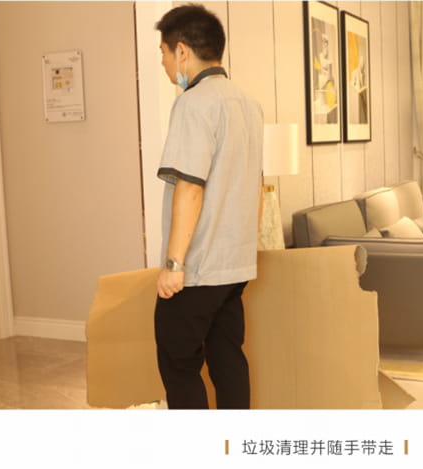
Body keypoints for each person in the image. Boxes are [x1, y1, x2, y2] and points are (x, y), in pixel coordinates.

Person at [153, 4, 264, 409]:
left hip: (197, 270)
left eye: (164, 53)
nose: (164, 64)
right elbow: (257, 187)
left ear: (182, 51)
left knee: (179, 365)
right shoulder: (248, 104)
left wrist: (174, 264)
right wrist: (246, 250)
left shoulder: (194, 102)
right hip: (235, 266)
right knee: (228, 359)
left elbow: (190, 187)